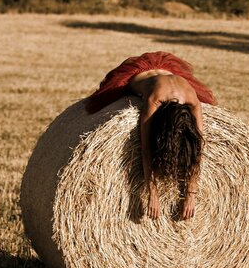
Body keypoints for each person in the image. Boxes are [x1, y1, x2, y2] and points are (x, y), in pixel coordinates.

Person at [85, 52, 216, 220]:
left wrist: (191, 194)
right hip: (138, 74)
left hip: (167, 72)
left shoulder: (193, 100)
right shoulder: (155, 99)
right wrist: (152, 193)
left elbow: (197, 150)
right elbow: (146, 148)